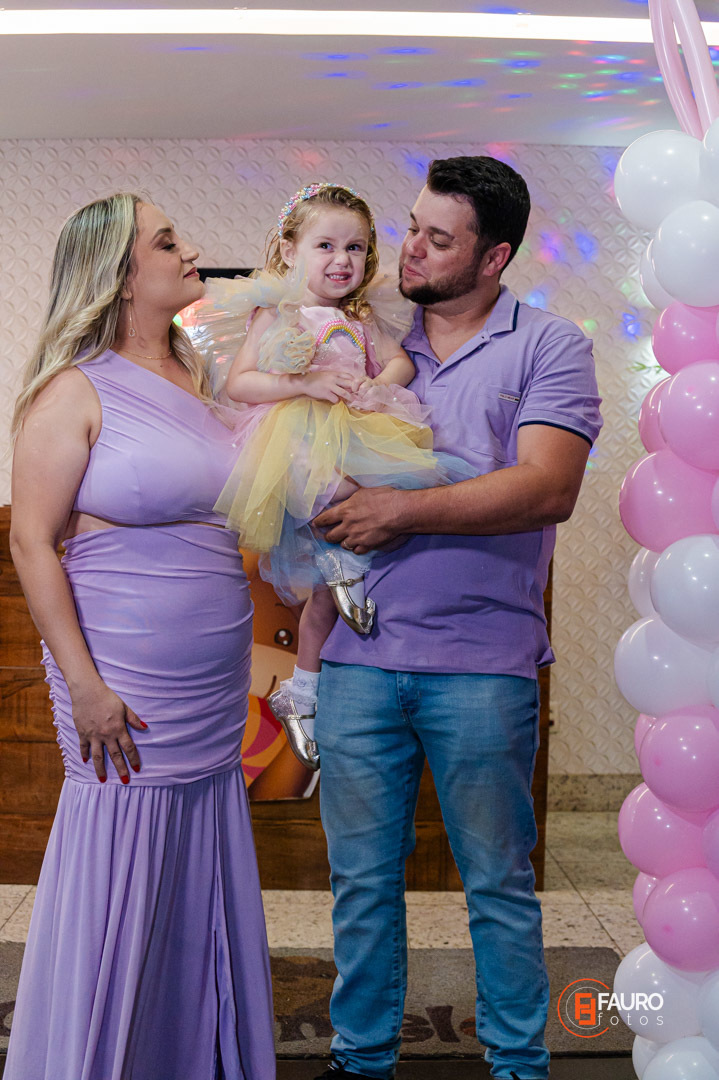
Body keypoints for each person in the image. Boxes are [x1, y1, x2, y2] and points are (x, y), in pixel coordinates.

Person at [310, 156, 603, 1080]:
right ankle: (360, 1059)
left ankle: (516, 1064)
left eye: (438, 238)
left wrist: (398, 511)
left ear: (493, 256)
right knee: (360, 886)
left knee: (497, 885)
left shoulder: (548, 345)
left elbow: (547, 488)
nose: (409, 249)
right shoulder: (365, 340)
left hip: (482, 664)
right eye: (410, 227)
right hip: (356, 658)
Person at [6, 193, 275, 1080]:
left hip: (210, 688)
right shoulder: (73, 389)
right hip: (120, 680)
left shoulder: (203, 378)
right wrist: (84, 686)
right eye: (167, 241)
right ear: (120, 277)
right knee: (120, 861)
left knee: (196, 864)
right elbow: (31, 542)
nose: (189, 249)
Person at [193, 183, 473, 771]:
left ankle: (302, 693)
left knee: (331, 586)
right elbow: (241, 383)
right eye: (325, 245)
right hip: (294, 440)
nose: (342, 259)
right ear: (289, 250)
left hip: (353, 432)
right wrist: (304, 383)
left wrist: (377, 384)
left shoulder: (360, 317)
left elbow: (400, 361)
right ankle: (338, 562)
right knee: (343, 498)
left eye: (355, 247)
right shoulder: (279, 313)